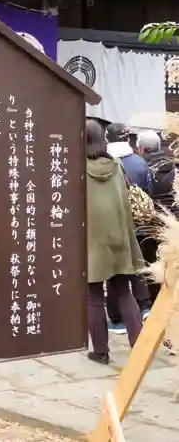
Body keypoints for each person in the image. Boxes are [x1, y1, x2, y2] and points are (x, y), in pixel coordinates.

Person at [86, 120, 143, 365]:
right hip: (119, 237)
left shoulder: (76, 169)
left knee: (93, 296)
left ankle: (101, 351)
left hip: (91, 241)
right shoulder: (117, 166)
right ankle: (139, 348)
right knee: (123, 291)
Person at [105, 123, 153, 333]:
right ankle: (144, 307)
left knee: (113, 272)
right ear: (128, 139)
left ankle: (117, 320)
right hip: (136, 225)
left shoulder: (99, 162)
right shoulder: (140, 164)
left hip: (108, 226)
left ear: (107, 139)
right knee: (137, 267)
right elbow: (148, 193)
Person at [136, 130, 177, 304]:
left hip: (150, 227)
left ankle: (154, 303)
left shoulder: (141, 169)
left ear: (143, 149)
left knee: (151, 266)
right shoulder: (174, 167)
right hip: (173, 226)